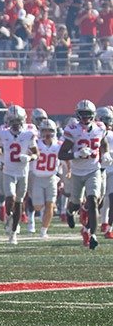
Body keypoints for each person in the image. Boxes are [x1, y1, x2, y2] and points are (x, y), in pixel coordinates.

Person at [58, 100, 107, 250]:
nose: (85, 118)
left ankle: (92, 235)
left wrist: (105, 154)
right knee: (75, 203)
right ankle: (69, 211)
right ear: (78, 115)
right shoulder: (72, 129)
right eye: (83, 114)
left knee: (92, 200)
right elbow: (61, 154)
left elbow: (103, 143)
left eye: (88, 115)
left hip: (93, 169)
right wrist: (77, 154)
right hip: (78, 172)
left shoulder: (100, 127)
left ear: (93, 115)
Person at [0, 105, 38, 245]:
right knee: (10, 198)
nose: (15, 124)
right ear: (8, 121)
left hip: (22, 172)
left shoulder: (28, 134)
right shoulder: (3, 133)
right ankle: (8, 216)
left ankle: (13, 232)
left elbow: (36, 153)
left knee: (18, 203)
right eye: (12, 121)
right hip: (8, 171)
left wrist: (30, 157)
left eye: (17, 121)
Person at [31, 119, 60, 239]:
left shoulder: (59, 145)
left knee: (50, 204)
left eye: (50, 130)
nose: (47, 133)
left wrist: (68, 171)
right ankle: (43, 214)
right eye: (45, 130)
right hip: (37, 177)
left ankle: (44, 230)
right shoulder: (35, 143)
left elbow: (66, 159)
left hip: (51, 178)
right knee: (38, 206)